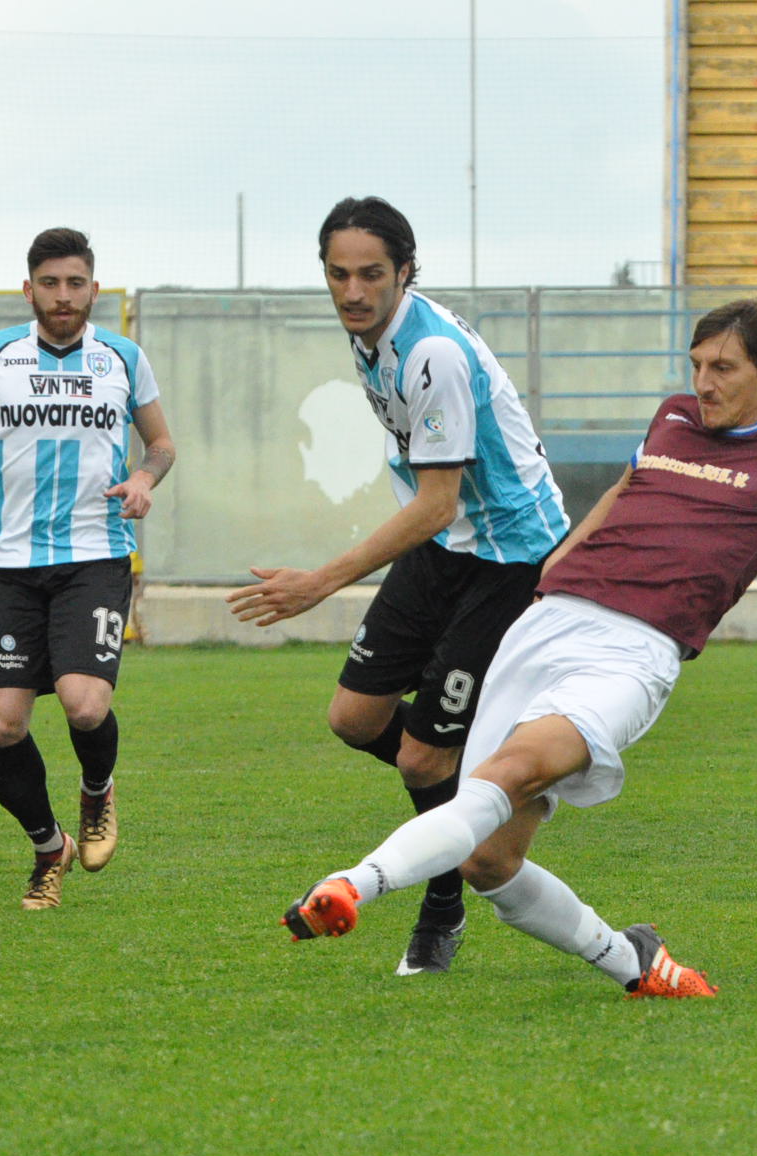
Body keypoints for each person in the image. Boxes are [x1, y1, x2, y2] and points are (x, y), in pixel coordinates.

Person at [281, 299, 757, 998]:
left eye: (724, 368)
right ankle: (635, 962)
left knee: (508, 774)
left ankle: (352, 885)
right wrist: (558, 566)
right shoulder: (673, 417)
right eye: (697, 365)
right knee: (489, 861)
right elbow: (625, 491)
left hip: (633, 650)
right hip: (546, 624)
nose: (704, 383)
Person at [228, 197, 570, 976]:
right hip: (446, 543)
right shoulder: (371, 337)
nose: (353, 291)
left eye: (372, 274)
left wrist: (319, 582)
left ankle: (443, 901)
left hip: (509, 556)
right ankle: (491, 784)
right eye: (338, 274)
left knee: (419, 761)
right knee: (354, 718)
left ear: (405, 271)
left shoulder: (432, 355)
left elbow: (439, 500)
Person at [0, 227, 176, 911]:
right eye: (50, 284)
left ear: (94, 289)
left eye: (75, 283)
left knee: (86, 705)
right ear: (28, 289)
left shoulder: (123, 358)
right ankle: (48, 847)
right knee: (3, 725)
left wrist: (144, 478)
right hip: (7, 562)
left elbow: (161, 443)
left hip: (94, 554)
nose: (64, 296)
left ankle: (97, 792)